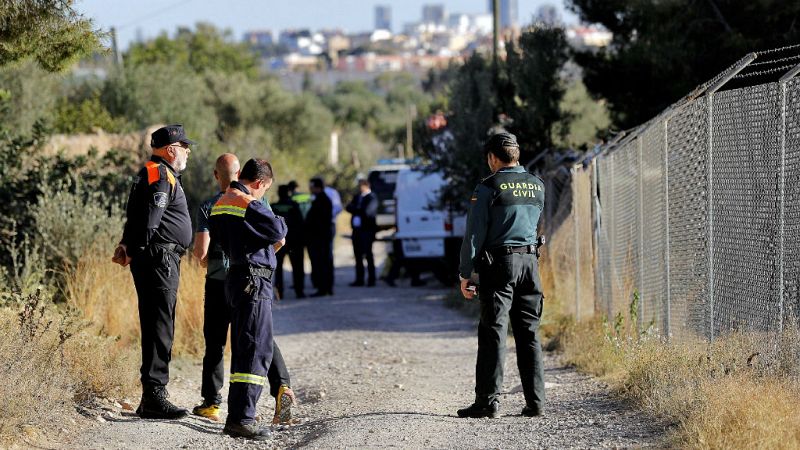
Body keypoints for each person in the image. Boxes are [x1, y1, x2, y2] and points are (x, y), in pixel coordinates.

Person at [191, 154, 296, 425]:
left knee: (220, 343)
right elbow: (278, 235)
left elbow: (201, 251)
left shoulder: (214, 204)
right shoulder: (253, 202)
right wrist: (262, 252)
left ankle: (212, 403)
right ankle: (278, 387)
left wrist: (213, 263)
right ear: (256, 181)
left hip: (222, 279)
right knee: (258, 341)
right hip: (253, 278)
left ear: (217, 175)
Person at [456, 132, 546, 419]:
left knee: (494, 331)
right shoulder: (536, 185)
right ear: (516, 154)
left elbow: (474, 234)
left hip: (499, 266)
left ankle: (487, 402)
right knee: (529, 333)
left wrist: (465, 273)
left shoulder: (488, 187)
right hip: (530, 264)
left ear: (493, 158)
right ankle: (535, 403)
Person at [112, 124, 194, 419]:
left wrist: (127, 245)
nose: (188, 152)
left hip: (155, 257)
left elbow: (135, 214)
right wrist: (137, 247)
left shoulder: (152, 172)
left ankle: (152, 394)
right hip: (160, 259)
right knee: (160, 325)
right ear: (171, 150)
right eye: (185, 147)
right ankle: (155, 395)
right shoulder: (161, 174)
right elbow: (149, 219)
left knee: (156, 323)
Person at [272, 184, 306, 299]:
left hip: (279, 242)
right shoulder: (294, 206)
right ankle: (299, 291)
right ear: (288, 193)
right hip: (295, 242)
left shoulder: (274, 207)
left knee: (278, 268)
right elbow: (301, 223)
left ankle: (279, 293)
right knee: (297, 268)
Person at [345, 179, 378, 287]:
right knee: (358, 255)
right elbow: (348, 207)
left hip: (367, 230)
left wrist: (356, 209)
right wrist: (358, 209)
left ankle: (371, 279)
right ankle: (360, 279)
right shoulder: (357, 197)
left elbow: (367, 212)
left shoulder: (371, 197)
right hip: (357, 231)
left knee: (368, 255)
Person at [306, 177, 334, 297]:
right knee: (325, 262)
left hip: (320, 237)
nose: (310, 189)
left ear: (317, 187)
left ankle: (324, 288)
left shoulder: (322, 200)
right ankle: (326, 287)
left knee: (322, 262)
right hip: (321, 236)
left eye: (312, 187)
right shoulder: (320, 199)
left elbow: (318, 221)